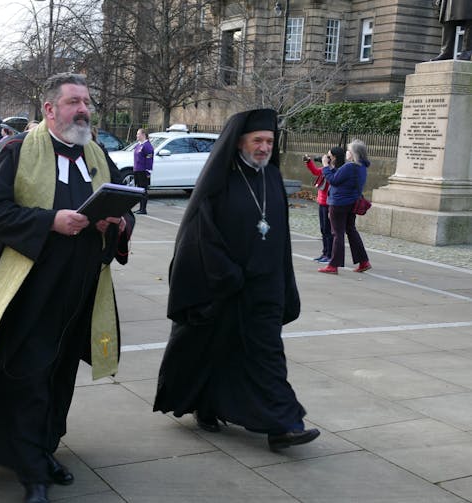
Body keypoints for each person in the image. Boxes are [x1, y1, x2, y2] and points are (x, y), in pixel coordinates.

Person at [0, 73, 134, 503]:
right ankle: (32, 471)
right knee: (29, 375)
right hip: (29, 289)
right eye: (73, 101)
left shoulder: (97, 154)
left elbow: (119, 205)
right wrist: (49, 221)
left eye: (87, 101)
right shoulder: (16, 151)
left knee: (60, 377)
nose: (83, 109)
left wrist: (119, 223)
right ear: (50, 109)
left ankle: (44, 448)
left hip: (81, 289)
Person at [154, 108, 319, 451]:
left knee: (268, 355)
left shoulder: (271, 178)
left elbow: (281, 237)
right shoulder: (220, 181)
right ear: (240, 142)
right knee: (214, 349)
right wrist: (226, 274)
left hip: (266, 287)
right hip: (226, 286)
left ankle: (283, 426)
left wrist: (285, 282)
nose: (263, 147)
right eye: (257, 140)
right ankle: (207, 404)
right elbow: (200, 233)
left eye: (269, 141)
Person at [318, 139, 371, 274]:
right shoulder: (362, 166)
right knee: (351, 231)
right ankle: (363, 261)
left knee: (337, 233)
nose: (346, 152)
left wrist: (325, 166)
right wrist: (331, 168)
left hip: (339, 203)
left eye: (349, 150)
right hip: (352, 202)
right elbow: (341, 177)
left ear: (353, 154)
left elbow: (333, 180)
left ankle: (333, 265)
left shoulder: (349, 166)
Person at [304, 147, 345, 263]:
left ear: (335, 158)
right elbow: (316, 172)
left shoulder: (336, 170)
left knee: (328, 230)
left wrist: (327, 166)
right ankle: (325, 252)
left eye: (329, 156)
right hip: (321, 202)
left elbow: (332, 179)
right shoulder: (326, 168)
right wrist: (309, 162)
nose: (326, 157)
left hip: (329, 203)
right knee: (323, 229)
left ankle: (330, 254)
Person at [133, 128, 153, 214]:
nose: (137, 135)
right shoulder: (138, 145)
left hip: (143, 171)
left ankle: (143, 209)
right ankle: (140, 208)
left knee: (143, 190)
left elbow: (149, 159)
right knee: (139, 190)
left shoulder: (147, 146)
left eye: (138, 134)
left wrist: (148, 171)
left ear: (143, 135)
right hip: (137, 170)